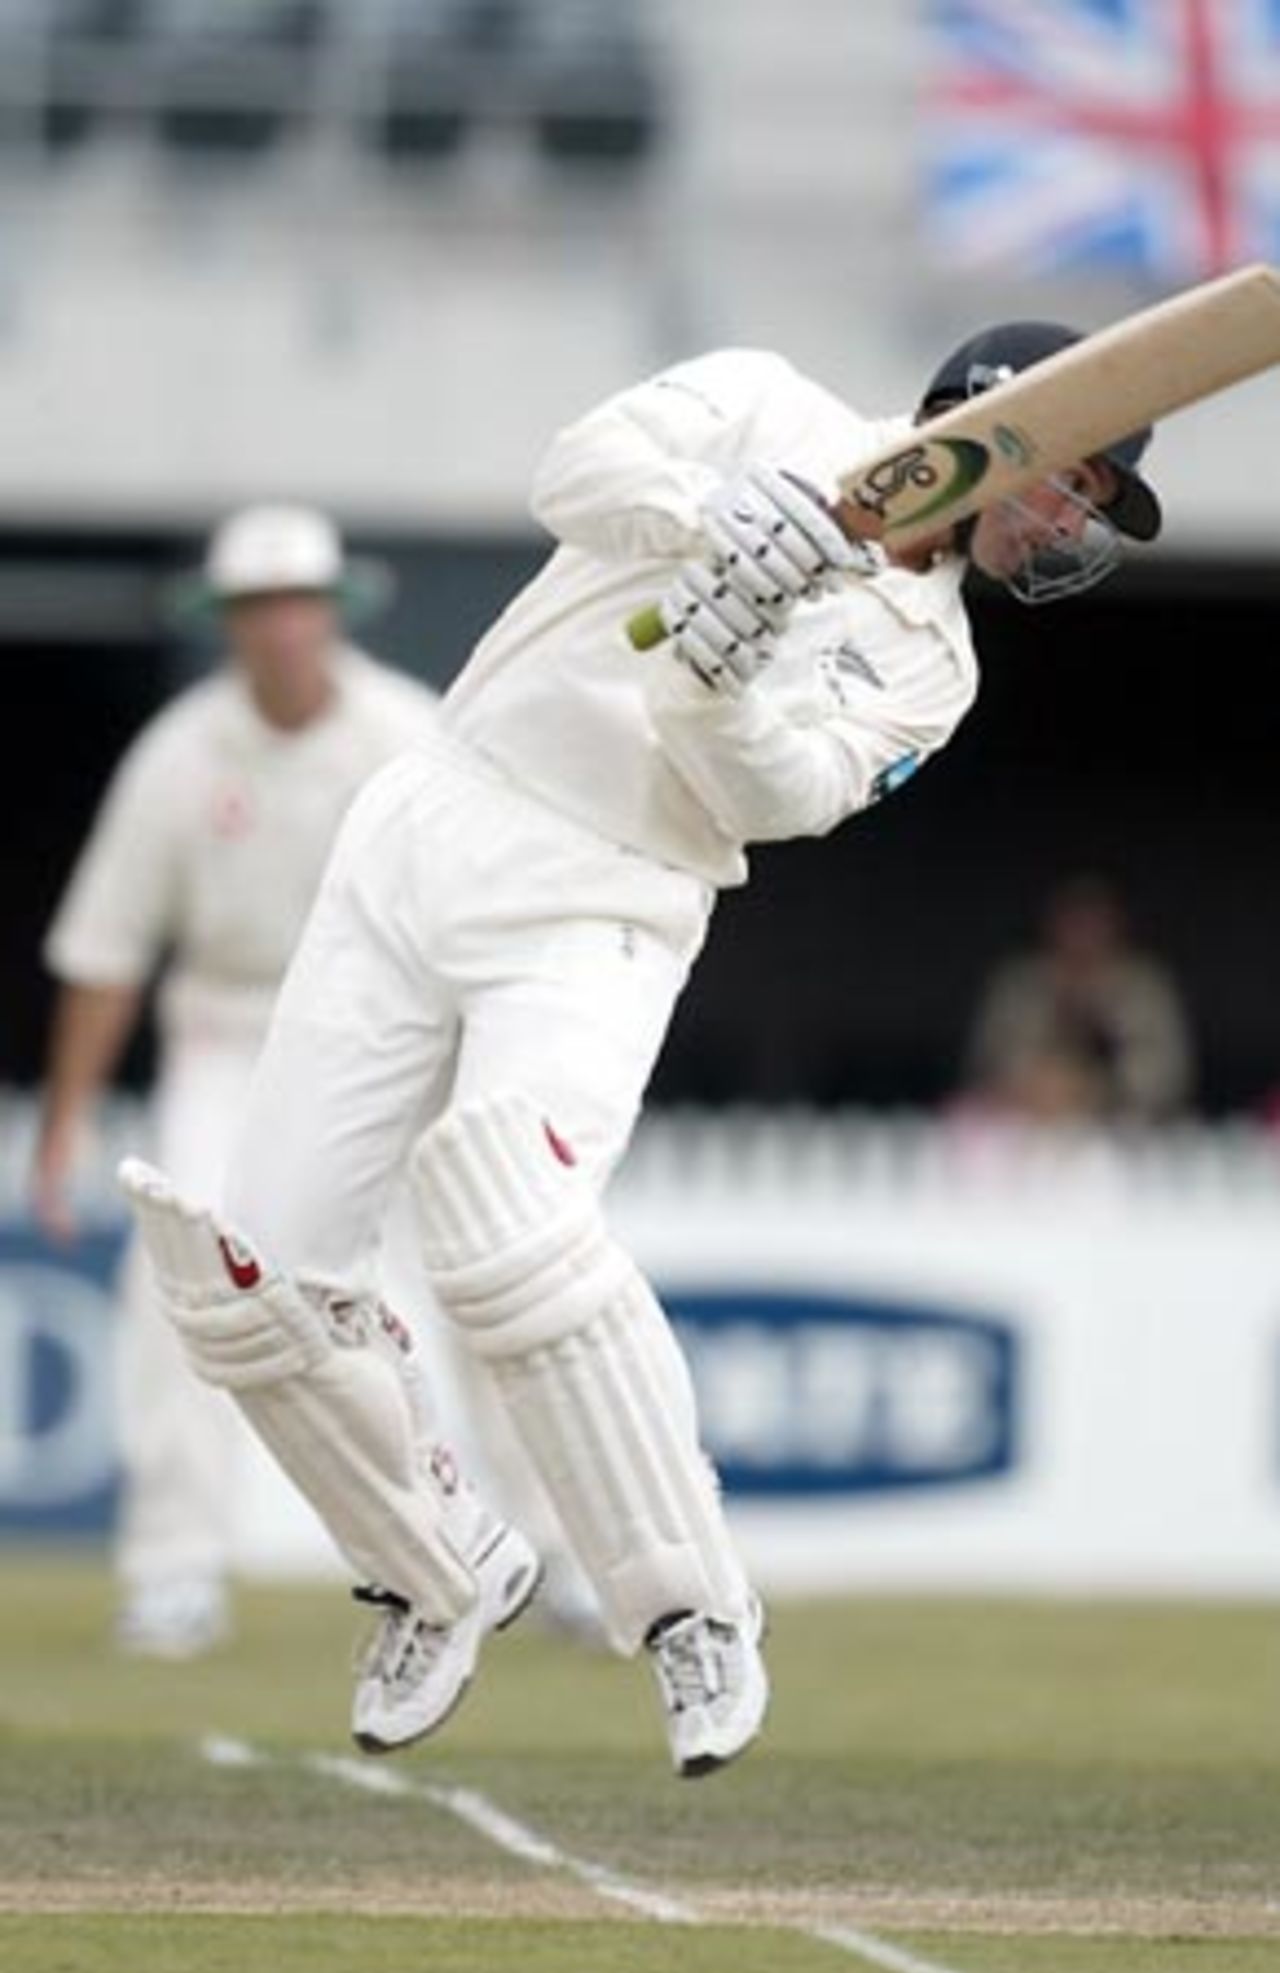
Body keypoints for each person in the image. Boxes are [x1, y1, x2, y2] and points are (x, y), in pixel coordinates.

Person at [119, 323, 1164, 1776]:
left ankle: (692, 1609)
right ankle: (435, 1570)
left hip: (608, 892)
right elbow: (576, 470)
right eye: (1077, 484)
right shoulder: (762, 401)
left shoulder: (934, 669)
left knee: (513, 1231)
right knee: (253, 1283)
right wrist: (715, 524)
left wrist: (716, 682)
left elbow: (784, 796)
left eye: (1088, 514)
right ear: (1000, 424)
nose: (1068, 525)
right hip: (433, 815)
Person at [33, 503, 445, 1657]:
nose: (281, 628)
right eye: (256, 607)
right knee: (181, 1292)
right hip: (224, 1031)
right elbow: (107, 951)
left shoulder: (406, 733)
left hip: (381, 1031)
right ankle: (174, 1570)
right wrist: (61, 1128)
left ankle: (541, 1555)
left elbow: (468, 915)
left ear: (333, 608)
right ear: (225, 622)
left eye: (297, 602)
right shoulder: (178, 755)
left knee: (463, 1282)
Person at [961, 873, 1195, 1122]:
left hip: (1123, 1127)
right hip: (1022, 1124)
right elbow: (988, 1057)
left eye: (1094, 921)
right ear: (1051, 923)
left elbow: (1168, 1069)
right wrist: (1037, 1083)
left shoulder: (1145, 984)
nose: (1082, 932)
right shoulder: (1019, 981)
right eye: (1073, 920)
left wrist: (1094, 1088)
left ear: (1116, 925)